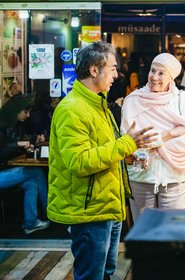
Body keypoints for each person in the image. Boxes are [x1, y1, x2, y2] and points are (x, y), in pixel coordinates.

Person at [47, 40, 158, 280]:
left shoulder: (98, 104)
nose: (117, 75)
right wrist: (127, 143)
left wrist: (126, 156)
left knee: (105, 273)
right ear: (94, 70)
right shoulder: (72, 109)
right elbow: (79, 162)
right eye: (112, 68)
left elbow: (102, 150)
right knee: (91, 275)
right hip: (89, 211)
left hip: (107, 205)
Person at [121, 53, 185, 223]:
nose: (154, 77)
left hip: (174, 178)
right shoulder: (132, 101)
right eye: (152, 70)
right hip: (140, 176)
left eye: (161, 73)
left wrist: (150, 144)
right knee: (143, 231)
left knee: (172, 232)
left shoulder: (182, 99)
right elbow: (129, 143)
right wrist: (168, 134)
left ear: (171, 77)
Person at [0, 94, 49, 234]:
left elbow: (16, 143)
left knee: (32, 182)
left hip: (1, 172)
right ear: (15, 111)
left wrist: (33, 141)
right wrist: (17, 144)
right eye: (26, 112)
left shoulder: (15, 126)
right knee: (36, 172)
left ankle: (31, 223)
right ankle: (50, 213)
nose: (28, 115)